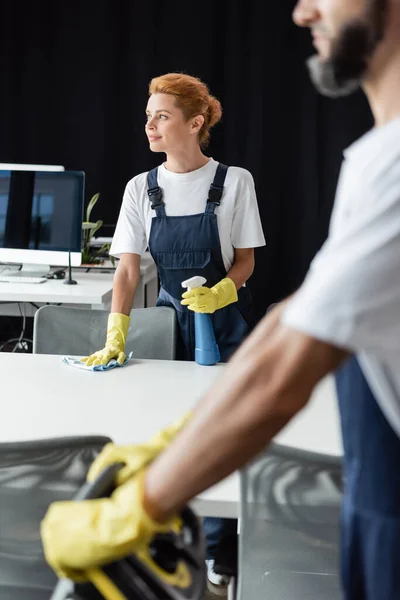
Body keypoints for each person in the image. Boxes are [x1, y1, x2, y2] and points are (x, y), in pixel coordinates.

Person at [41, 0, 400, 597]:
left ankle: (220, 564)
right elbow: (302, 317)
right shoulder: (374, 160)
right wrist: (171, 424)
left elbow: (283, 369)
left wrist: (142, 505)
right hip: (376, 484)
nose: (303, 11)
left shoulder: (384, 168)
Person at [81, 72, 266, 594]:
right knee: (162, 436)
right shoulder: (141, 188)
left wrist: (221, 293)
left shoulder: (235, 182)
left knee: (222, 438)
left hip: (226, 326)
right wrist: (117, 330)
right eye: (148, 116)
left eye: (160, 116)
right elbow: (126, 271)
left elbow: (247, 261)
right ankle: (167, 546)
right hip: (168, 329)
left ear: (196, 122)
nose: (149, 126)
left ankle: (221, 555)